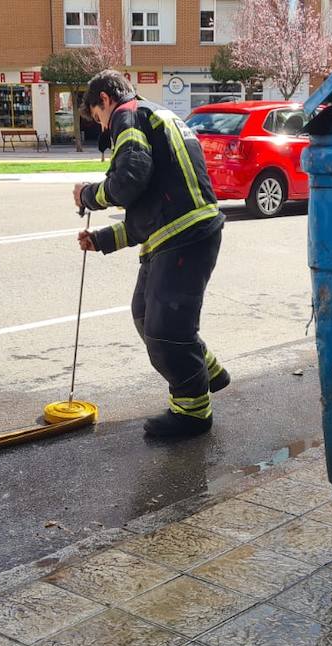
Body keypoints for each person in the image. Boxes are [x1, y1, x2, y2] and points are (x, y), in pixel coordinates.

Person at [72, 70, 229, 438]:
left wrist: (87, 194)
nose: (103, 129)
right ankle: (208, 372)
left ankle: (192, 414)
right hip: (181, 234)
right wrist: (102, 239)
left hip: (184, 237)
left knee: (165, 331)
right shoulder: (153, 115)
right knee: (145, 315)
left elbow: (129, 179)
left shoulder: (127, 115)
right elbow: (152, 207)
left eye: (98, 119)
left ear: (105, 101)